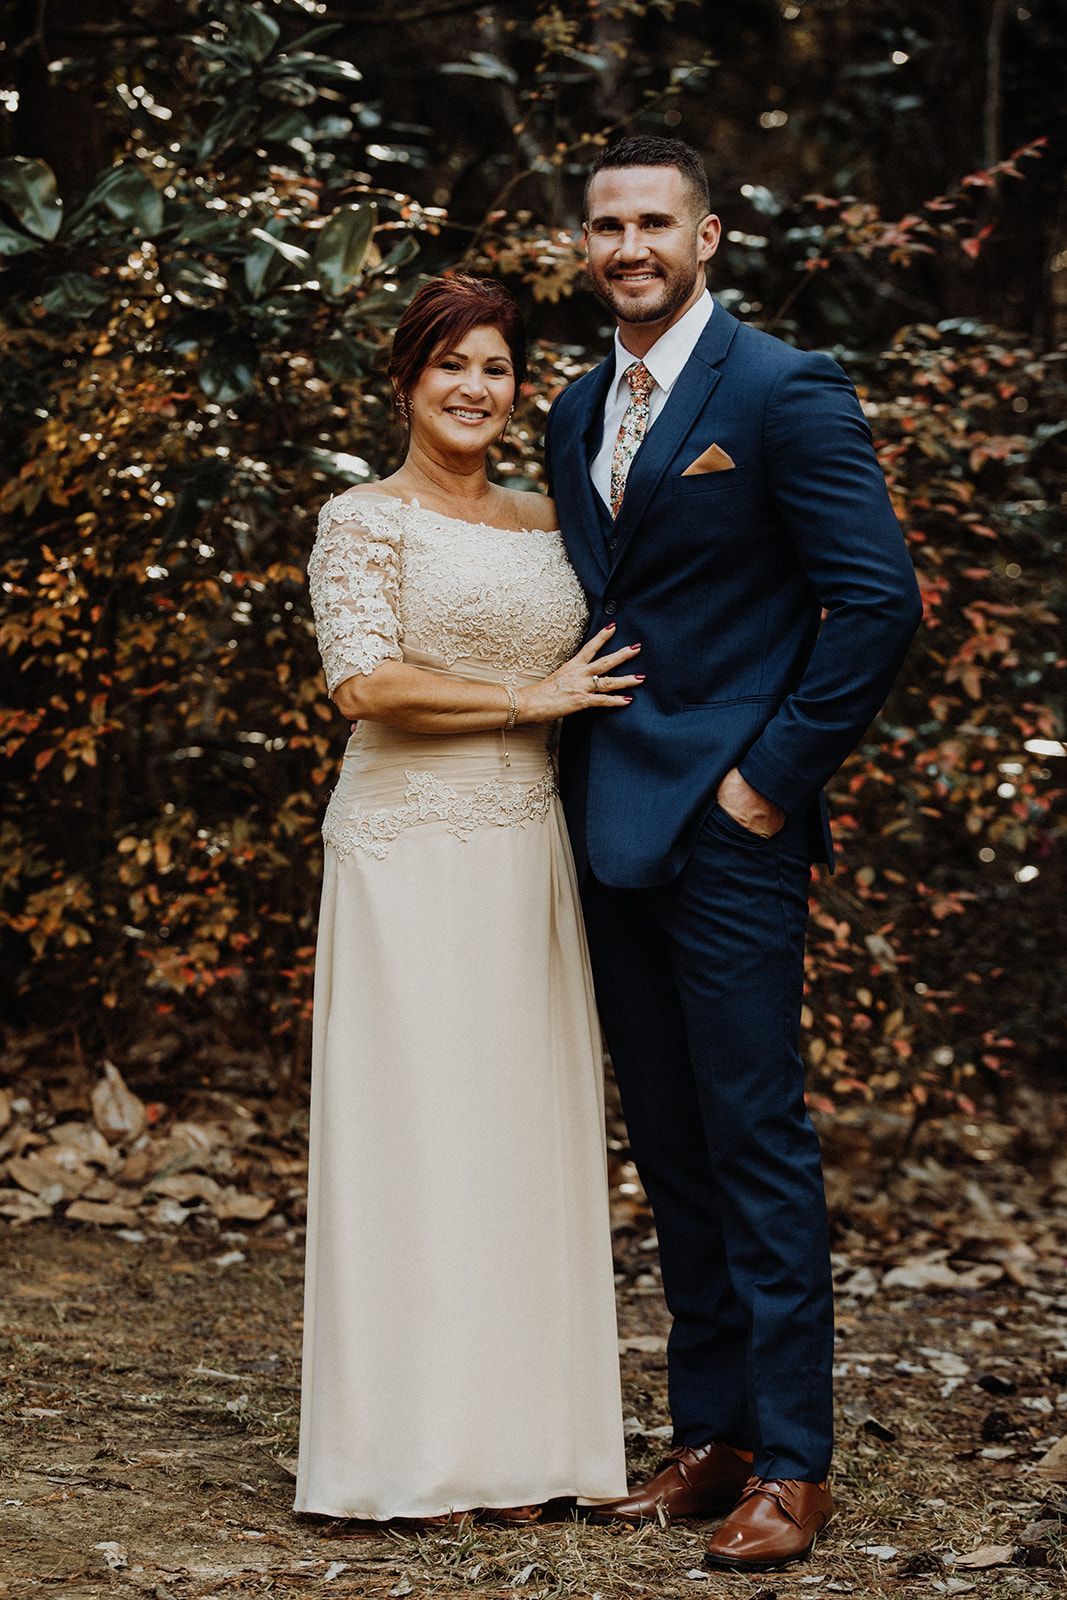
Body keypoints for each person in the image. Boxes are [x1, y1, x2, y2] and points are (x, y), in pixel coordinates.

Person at [545, 136, 923, 1573]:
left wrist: (763, 784)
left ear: (707, 238)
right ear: (585, 245)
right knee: (671, 1143)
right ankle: (707, 1439)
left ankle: (795, 1464)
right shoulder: (579, 404)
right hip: (604, 819)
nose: (627, 244)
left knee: (755, 1138)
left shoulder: (779, 391)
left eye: (653, 221)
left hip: (727, 827)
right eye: (604, 224)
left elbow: (873, 605)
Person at [293, 274, 636, 1523]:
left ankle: (525, 1444)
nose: (474, 388)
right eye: (450, 366)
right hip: (405, 840)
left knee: (513, 1132)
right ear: (405, 382)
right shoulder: (361, 518)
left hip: (523, 843)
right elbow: (364, 684)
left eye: (494, 367)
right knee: (414, 1130)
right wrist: (521, 703)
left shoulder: (551, 520)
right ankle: (402, 1452)